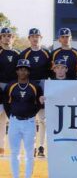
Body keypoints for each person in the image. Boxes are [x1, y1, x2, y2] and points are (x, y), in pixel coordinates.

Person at [4, 59, 43, 178]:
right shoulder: (11, 85)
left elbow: (39, 103)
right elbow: (6, 103)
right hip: (14, 122)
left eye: (25, 69)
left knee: (29, 153)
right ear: (17, 71)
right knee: (14, 152)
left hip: (29, 122)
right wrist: (12, 116)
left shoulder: (35, 86)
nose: (23, 71)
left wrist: (31, 114)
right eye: (20, 69)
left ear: (28, 71)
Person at [20, 28, 51, 157]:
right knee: (30, 120)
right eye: (32, 36)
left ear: (41, 37)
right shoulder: (25, 53)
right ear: (29, 38)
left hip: (43, 85)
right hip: (30, 85)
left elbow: (51, 71)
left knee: (44, 119)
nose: (35, 38)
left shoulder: (47, 53)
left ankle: (41, 147)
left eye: (37, 36)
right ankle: (30, 147)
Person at [0, 27, 20, 156]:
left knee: (11, 119)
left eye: (9, 35)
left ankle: (7, 147)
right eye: (4, 35)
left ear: (13, 38)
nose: (7, 37)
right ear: (1, 38)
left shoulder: (17, 54)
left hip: (12, 88)